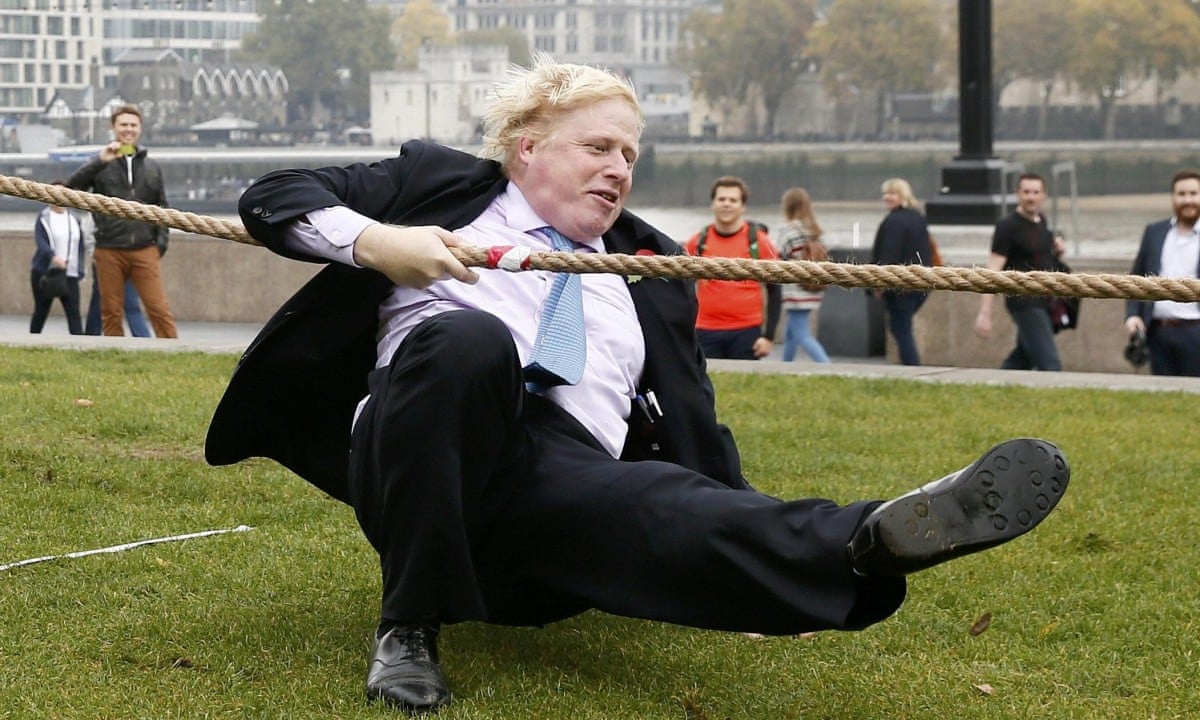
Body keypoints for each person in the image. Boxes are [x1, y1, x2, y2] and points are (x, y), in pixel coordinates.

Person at [204, 57, 1070, 715]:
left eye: (630, 153)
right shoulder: (440, 187)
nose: (619, 168)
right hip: (425, 437)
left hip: (558, 485)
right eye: (599, 147)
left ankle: (868, 539)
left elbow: (695, 423)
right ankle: (409, 625)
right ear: (528, 148)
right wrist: (379, 242)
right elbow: (274, 194)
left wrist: (764, 562)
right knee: (464, 339)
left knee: (663, 497)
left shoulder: (650, 268)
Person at [66, 103, 177, 338]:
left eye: (133, 125)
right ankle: (116, 353)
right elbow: (71, 189)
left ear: (140, 129)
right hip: (109, 249)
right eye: (123, 125)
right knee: (111, 311)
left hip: (144, 249)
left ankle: (175, 352)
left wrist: (160, 245)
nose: (128, 129)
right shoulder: (101, 164)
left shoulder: (151, 167)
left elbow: (163, 208)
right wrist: (100, 160)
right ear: (113, 128)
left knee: (158, 309)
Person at [975, 173, 1067, 371]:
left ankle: (997, 386)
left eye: (1035, 192)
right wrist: (985, 313)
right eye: (1026, 192)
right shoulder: (1007, 227)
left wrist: (1057, 249)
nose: (1030, 197)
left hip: (1044, 300)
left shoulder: (1042, 221)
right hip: (1024, 302)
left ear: (1044, 196)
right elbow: (992, 270)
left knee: (1022, 358)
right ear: (1017, 194)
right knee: (1050, 363)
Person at [683, 176, 781, 360]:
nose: (726, 204)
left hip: (746, 331)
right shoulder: (697, 242)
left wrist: (768, 337)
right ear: (713, 204)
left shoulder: (759, 242)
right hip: (705, 330)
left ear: (743, 206)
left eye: (733, 200)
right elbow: (681, 290)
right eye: (721, 199)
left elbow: (775, 290)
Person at [1123, 169, 1200, 376]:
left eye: (1193, 194)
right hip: (1158, 332)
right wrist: (1132, 315)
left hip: (1196, 331)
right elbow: (1136, 279)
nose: (1187, 200)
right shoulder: (1154, 232)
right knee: (1163, 396)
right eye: (1181, 194)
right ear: (1173, 197)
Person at [870, 178, 932, 366]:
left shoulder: (894, 221)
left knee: (901, 329)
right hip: (920, 282)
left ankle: (913, 369)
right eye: (885, 193)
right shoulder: (917, 217)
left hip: (900, 285)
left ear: (903, 195)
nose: (886, 197)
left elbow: (888, 254)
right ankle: (910, 367)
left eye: (892, 193)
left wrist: (878, 283)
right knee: (901, 328)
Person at [776, 187, 831, 363]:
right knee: (791, 332)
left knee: (801, 334)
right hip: (813, 287)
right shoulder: (815, 230)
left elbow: (779, 255)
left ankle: (828, 367)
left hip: (795, 289)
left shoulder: (788, 229)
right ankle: (786, 367)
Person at [29, 188, 86, 335]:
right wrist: (53, 257)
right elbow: (40, 241)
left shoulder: (74, 219)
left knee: (73, 312)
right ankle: (32, 340)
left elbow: (80, 246)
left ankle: (80, 347)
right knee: (41, 310)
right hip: (47, 272)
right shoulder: (44, 217)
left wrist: (80, 268)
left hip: (70, 273)